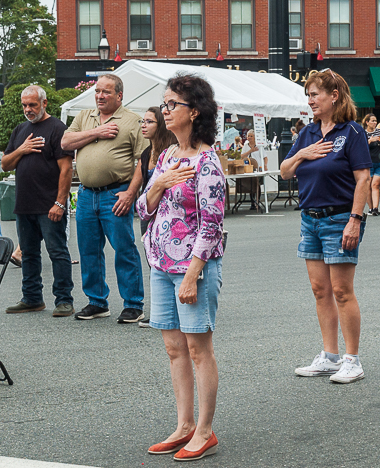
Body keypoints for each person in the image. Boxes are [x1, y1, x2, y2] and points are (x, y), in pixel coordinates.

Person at [136, 73, 224, 460]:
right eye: (165, 103)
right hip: (159, 262)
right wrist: (160, 183)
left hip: (193, 268)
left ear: (195, 111)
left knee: (198, 348)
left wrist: (192, 274)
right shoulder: (168, 155)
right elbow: (142, 208)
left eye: (173, 104)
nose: (165, 110)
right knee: (174, 348)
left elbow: (213, 224)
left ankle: (204, 430)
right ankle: (184, 424)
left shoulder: (207, 162)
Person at [280, 69, 370, 384]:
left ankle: (352, 360)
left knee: (342, 291)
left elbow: (363, 179)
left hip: (339, 219)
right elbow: (285, 171)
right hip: (310, 220)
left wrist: (355, 220)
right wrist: (302, 153)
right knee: (320, 291)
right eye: (308, 94)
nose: (310, 100)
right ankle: (330, 357)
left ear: (334, 96)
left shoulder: (352, 132)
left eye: (315, 94)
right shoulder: (306, 133)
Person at [61, 74, 148, 323]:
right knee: (89, 251)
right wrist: (98, 131)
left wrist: (131, 193)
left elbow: (144, 160)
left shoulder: (132, 121)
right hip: (87, 194)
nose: (99, 96)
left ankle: (133, 304)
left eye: (106, 92)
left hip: (115, 194)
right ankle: (97, 302)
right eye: (97, 91)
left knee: (124, 250)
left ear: (119, 95)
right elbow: (65, 142)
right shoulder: (85, 117)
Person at [1, 85, 74, 317]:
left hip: (49, 205)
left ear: (44, 103)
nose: (28, 109)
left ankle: (64, 300)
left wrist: (60, 203)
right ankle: (32, 298)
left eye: (32, 104)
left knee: (57, 252)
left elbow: (66, 169)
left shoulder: (57, 128)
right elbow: (5, 164)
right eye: (24, 105)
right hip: (24, 205)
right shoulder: (20, 130)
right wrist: (21, 149)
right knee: (29, 254)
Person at [135, 106, 177, 328]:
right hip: (147, 211)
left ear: (159, 125)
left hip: (166, 214)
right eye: (143, 121)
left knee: (169, 263)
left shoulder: (169, 152)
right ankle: (161, 310)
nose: (144, 125)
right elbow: (139, 184)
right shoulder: (145, 154)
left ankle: (171, 310)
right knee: (153, 261)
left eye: (149, 122)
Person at [362, 114, 380, 216]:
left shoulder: (378, 131)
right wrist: (369, 141)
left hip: (379, 161)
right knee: (368, 186)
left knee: (376, 184)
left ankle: (376, 208)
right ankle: (370, 207)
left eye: (375, 121)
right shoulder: (363, 133)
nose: (374, 123)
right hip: (368, 163)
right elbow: (360, 147)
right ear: (367, 122)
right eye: (372, 121)